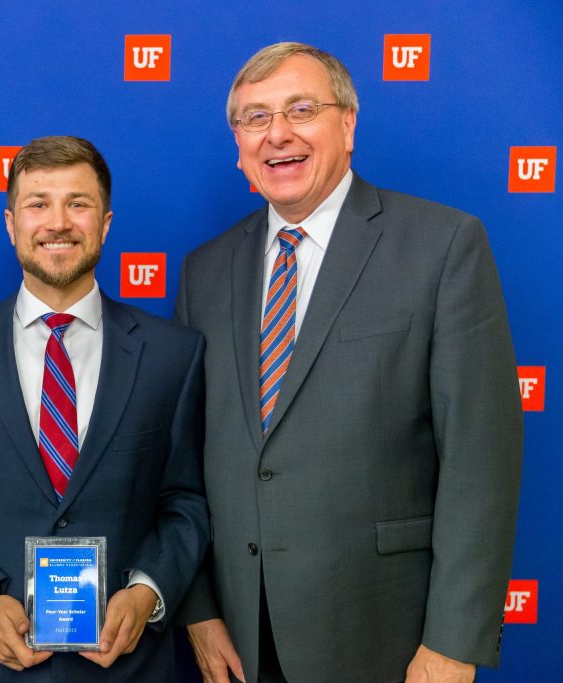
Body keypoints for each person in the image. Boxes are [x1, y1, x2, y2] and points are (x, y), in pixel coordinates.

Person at [176, 42, 524, 683]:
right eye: (255, 117)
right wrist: (198, 609)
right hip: (243, 641)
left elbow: (481, 461)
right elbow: (184, 464)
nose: (277, 133)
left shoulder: (443, 246)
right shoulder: (204, 271)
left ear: (348, 124)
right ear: (239, 146)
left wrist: (453, 644)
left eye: (301, 109)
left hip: (387, 638)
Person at [0, 136, 209, 681]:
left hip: (123, 666)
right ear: (12, 224)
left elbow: (186, 502)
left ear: (105, 224)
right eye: (38, 204)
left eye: (77, 204)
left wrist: (147, 591)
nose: (58, 222)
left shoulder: (172, 355)